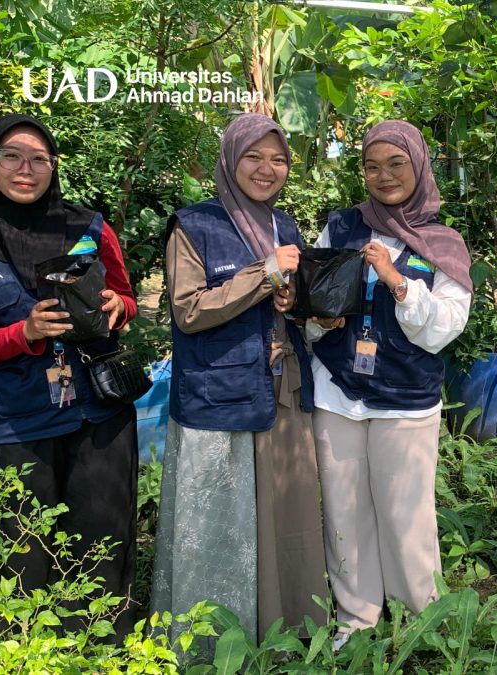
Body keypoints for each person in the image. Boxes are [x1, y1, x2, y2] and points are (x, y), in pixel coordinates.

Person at [151, 113, 327, 647]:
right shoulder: (195, 225)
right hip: (219, 393)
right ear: (230, 160)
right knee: (219, 523)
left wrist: (294, 301)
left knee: (283, 516)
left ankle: (286, 630)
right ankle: (210, 644)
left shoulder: (285, 226)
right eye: (253, 156)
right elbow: (188, 310)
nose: (266, 169)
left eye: (278, 159)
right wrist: (265, 274)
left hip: (279, 386)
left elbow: (288, 299)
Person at [0, 114, 139, 638]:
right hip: (15, 424)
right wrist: (26, 331)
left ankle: (102, 651)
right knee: (18, 557)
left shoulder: (88, 229)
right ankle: (18, 655)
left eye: (39, 158)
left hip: (99, 414)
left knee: (102, 546)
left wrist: (118, 307)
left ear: (53, 166)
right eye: (11, 156)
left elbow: (126, 297)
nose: (26, 169)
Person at [307, 120, 472, 643]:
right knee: (344, 510)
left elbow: (446, 327)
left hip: (406, 398)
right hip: (338, 390)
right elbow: (310, 301)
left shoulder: (443, 242)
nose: (384, 176)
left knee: (407, 515)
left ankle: (419, 619)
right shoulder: (341, 227)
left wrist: (399, 283)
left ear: (419, 165)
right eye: (372, 166)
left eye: (396, 164)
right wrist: (319, 317)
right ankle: (356, 618)